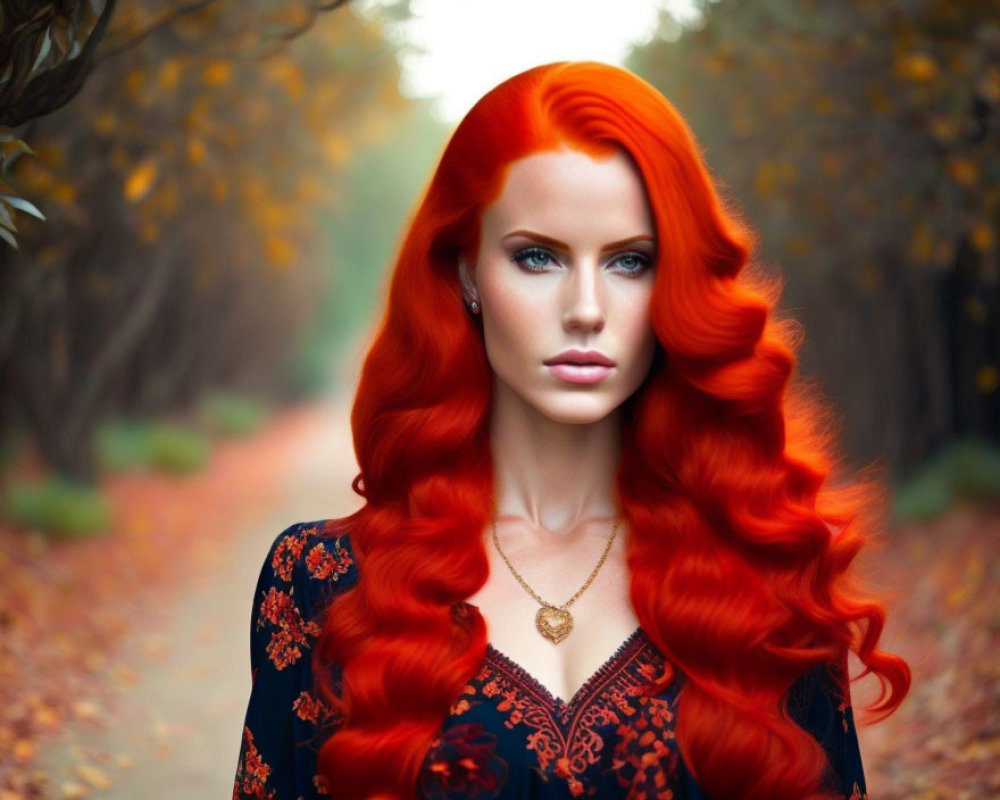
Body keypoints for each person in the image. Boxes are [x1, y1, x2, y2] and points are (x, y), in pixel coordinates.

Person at [232, 60, 910, 800]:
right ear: (464, 272)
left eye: (630, 261)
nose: (586, 307)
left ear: (676, 282)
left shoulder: (773, 577)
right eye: (537, 256)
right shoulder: (324, 581)